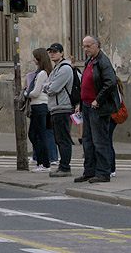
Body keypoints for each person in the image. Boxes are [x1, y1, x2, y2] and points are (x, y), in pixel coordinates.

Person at [74, 35, 117, 184]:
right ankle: (89, 171)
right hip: (86, 105)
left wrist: (98, 99)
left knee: (100, 141)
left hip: (98, 107)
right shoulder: (90, 60)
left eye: (88, 46)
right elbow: (84, 83)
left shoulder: (103, 61)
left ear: (97, 45)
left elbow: (110, 82)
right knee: (87, 140)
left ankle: (103, 172)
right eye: (84, 46)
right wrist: (80, 102)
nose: (85, 49)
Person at [43, 42, 75, 177]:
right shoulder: (57, 68)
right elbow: (47, 85)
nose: (52, 54)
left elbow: (52, 88)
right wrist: (48, 87)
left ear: (62, 53)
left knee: (63, 139)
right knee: (59, 139)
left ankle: (65, 167)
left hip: (63, 107)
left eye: (55, 52)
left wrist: (48, 87)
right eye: (50, 52)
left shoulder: (65, 69)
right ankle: (63, 166)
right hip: (56, 108)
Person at [25, 47, 54, 172]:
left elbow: (36, 92)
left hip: (40, 105)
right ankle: (41, 162)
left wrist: (26, 93)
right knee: (34, 134)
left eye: (35, 57)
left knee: (39, 135)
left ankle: (44, 163)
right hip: (37, 106)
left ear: (39, 58)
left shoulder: (42, 73)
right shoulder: (40, 72)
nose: (33, 60)